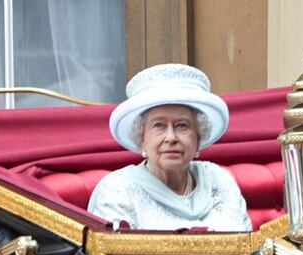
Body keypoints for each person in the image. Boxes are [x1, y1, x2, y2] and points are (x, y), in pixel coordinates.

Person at [87, 63, 252, 231]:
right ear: (142, 137)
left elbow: (249, 247)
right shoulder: (119, 189)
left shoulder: (219, 179)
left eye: (182, 126)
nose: (171, 137)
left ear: (198, 137)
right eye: (159, 126)